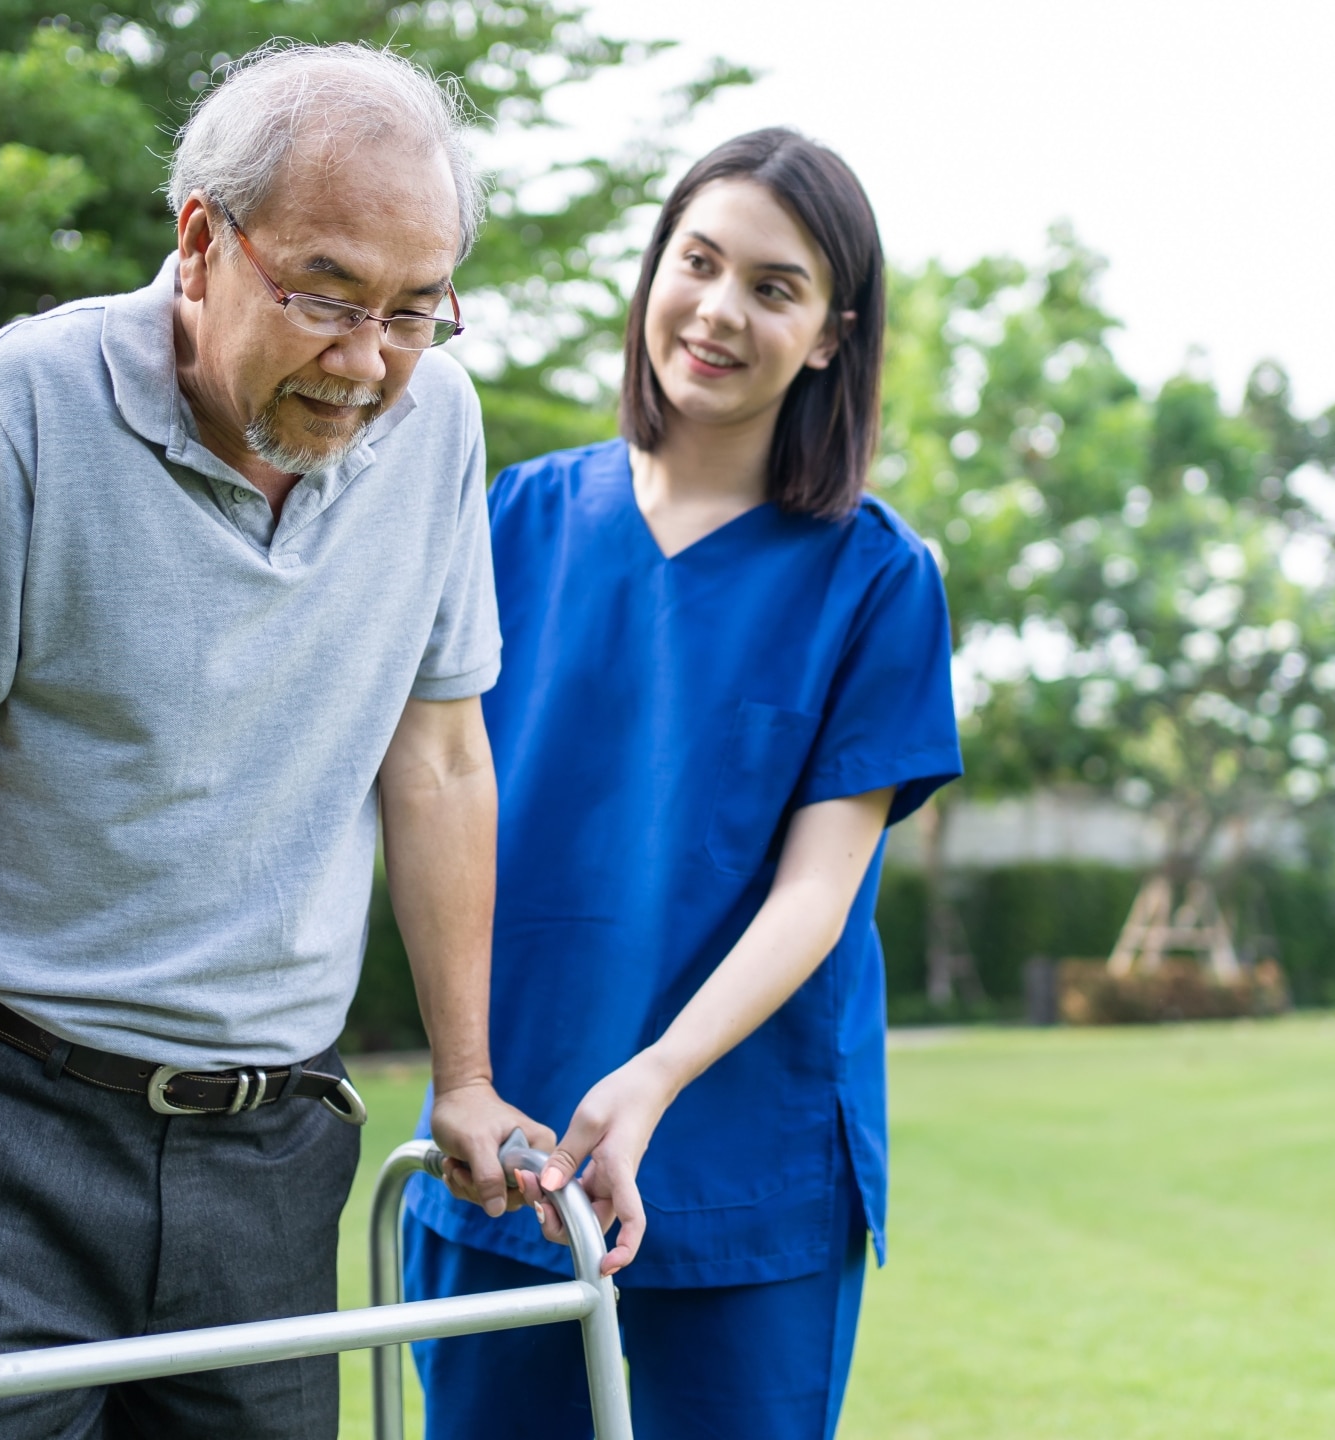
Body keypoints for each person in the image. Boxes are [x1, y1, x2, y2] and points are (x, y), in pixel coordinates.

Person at [0, 43, 550, 1438]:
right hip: (0, 1125)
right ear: (200, 243)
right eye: (326, 297)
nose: (368, 361)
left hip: (274, 1143)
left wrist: (470, 1078)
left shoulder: (438, 432)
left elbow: (437, 761)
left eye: (417, 311)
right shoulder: (25, 405)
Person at [400, 129, 963, 1440]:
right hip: (506, 1151)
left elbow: (818, 895)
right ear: (652, 271)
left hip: (742, 1177)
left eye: (774, 288)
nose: (717, 311)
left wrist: (654, 1078)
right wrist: (468, 1073)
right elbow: (419, 795)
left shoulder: (877, 580)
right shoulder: (508, 523)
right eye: (697, 263)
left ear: (831, 334)